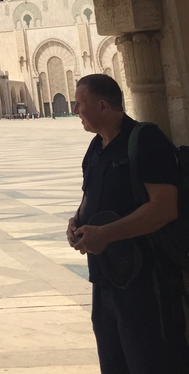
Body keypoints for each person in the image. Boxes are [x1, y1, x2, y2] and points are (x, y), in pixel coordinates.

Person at [66, 73, 189, 373]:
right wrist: (75, 222)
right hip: (106, 283)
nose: (76, 110)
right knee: (115, 363)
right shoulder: (95, 148)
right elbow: (89, 198)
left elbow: (164, 209)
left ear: (103, 106)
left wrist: (106, 234)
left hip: (146, 284)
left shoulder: (145, 140)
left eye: (81, 104)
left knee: (151, 362)